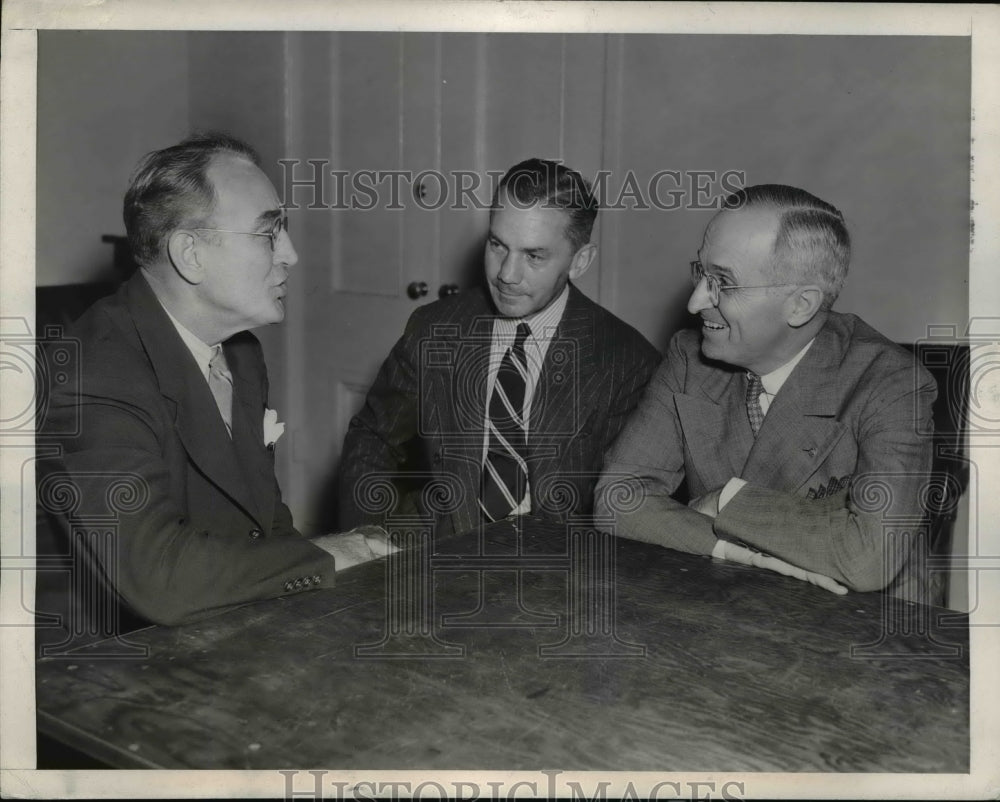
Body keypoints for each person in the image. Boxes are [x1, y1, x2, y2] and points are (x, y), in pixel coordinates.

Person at [39, 133, 393, 627]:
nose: (290, 254)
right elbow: (157, 576)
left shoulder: (241, 353)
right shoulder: (92, 373)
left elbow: (264, 527)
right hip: (105, 661)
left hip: (220, 622)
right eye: (269, 233)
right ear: (191, 254)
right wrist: (330, 556)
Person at [595, 184, 936, 599]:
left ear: (800, 305)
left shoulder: (893, 382)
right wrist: (736, 552)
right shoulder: (690, 357)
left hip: (866, 629)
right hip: (728, 598)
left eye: (723, 282)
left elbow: (869, 558)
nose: (696, 301)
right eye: (701, 273)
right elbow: (619, 500)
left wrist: (728, 499)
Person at [338, 158, 660, 540]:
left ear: (580, 261)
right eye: (497, 245)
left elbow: (632, 501)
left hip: (558, 570)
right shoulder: (436, 328)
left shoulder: (627, 360)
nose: (506, 274)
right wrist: (364, 535)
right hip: (432, 548)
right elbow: (373, 435)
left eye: (534, 256)